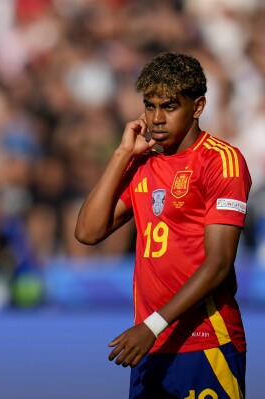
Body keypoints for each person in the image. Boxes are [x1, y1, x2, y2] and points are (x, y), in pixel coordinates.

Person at [75, 52, 252, 398]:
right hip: (150, 347)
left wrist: (152, 326)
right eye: (150, 106)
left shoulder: (221, 162)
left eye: (169, 106)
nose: (157, 118)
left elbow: (218, 264)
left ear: (197, 106)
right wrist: (122, 154)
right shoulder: (144, 163)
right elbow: (88, 232)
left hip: (205, 341)